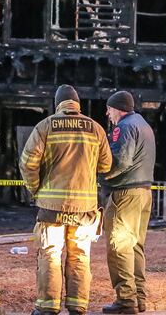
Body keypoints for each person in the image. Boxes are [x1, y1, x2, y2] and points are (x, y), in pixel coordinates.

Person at [19, 84, 113, 315]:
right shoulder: (95, 128)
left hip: (52, 207)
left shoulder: (45, 126)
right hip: (85, 209)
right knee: (79, 255)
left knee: (50, 254)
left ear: (58, 104)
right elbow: (106, 165)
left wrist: (35, 190)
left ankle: (47, 307)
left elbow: (28, 163)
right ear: (77, 104)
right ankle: (77, 305)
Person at [100, 91, 156, 314]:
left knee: (119, 246)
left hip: (125, 194)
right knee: (135, 246)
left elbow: (120, 161)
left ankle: (126, 300)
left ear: (118, 108)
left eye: (109, 109)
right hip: (144, 193)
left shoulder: (123, 128)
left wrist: (100, 176)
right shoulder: (143, 125)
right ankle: (139, 297)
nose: (108, 114)